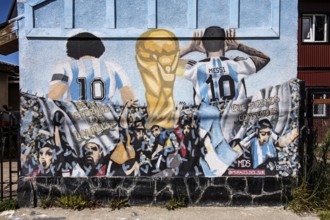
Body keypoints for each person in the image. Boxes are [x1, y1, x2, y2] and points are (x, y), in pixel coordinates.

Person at [179, 26, 270, 105]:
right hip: (235, 121)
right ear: (225, 43)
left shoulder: (195, 68)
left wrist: (189, 48)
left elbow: (166, 63)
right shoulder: (237, 65)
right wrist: (238, 46)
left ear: (203, 44)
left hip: (205, 123)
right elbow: (264, 58)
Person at [48, 32, 134, 104]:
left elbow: (54, 97)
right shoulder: (114, 67)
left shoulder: (64, 67)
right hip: (106, 119)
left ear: (71, 48)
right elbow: (129, 97)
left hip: (75, 120)